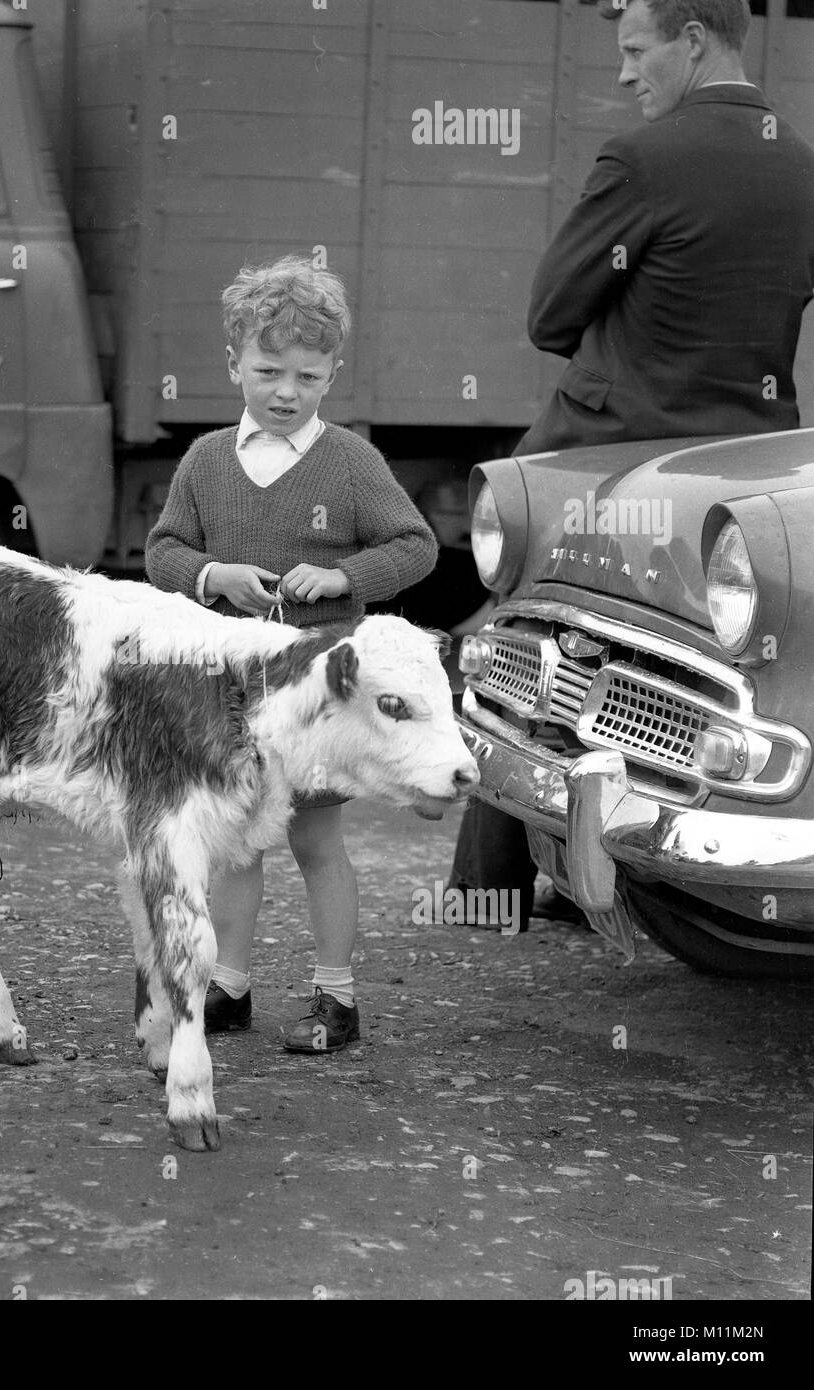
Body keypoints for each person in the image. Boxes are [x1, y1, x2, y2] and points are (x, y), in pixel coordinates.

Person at [448, 0, 814, 928]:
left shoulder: (642, 161)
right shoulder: (798, 165)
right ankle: (609, 874)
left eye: (634, 49)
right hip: (737, 464)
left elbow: (548, 318)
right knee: (690, 673)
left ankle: (488, 893)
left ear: (693, 39)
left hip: (606, 454)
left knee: (525, 645)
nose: (623, 74)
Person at [145, 256, 438, 1051]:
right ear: (232, 363)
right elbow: (162, 549)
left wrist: (345, 574)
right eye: (267, 370)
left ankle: (335, 999)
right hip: (229, 696)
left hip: (315, 697)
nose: (285, 391)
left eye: (307, 376)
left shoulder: (349, 462)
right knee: (235, 839)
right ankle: (229, 987)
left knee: (314, 841)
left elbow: (416, 546)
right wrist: (212, 575)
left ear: (331, 374)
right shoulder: (205, 460)